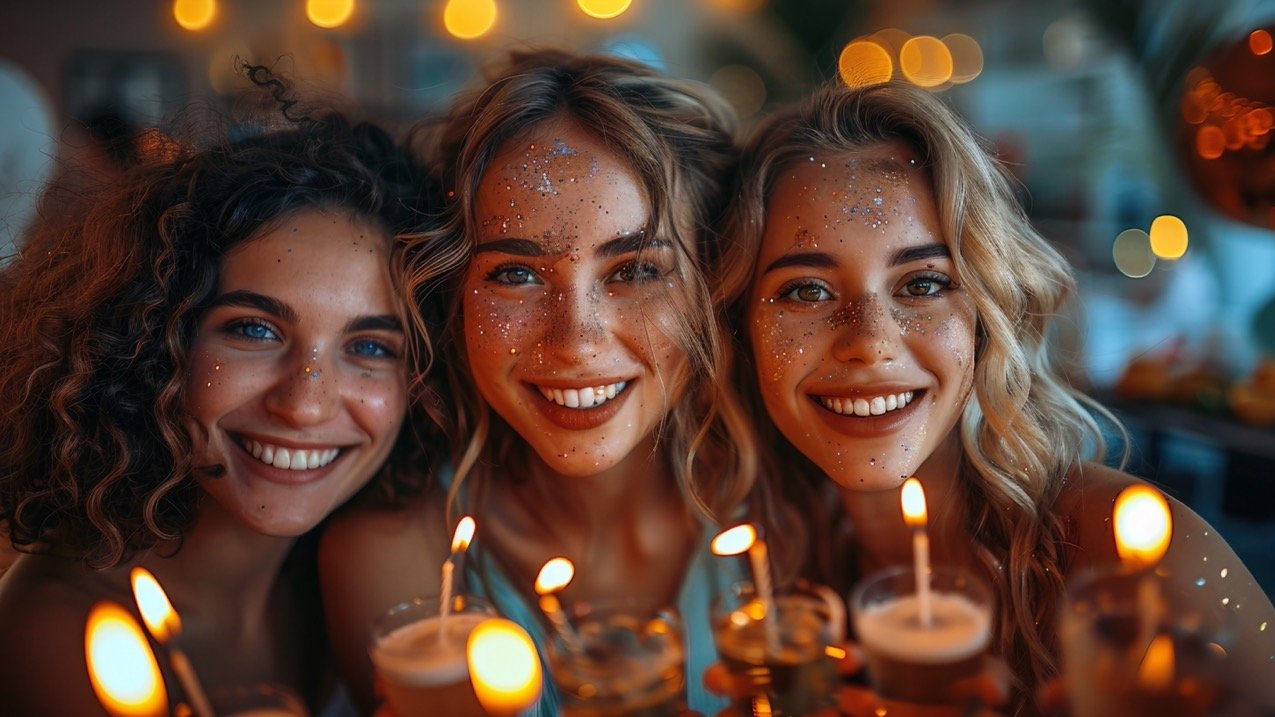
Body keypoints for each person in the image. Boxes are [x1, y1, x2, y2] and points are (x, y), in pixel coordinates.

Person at [714, 80, 1275, 714]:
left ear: (987, 314)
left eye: (923, 283)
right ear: (739, 329)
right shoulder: (760, 573)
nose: (870, 344)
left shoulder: (1138, 565)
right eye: (807, 292)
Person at [319, 49, 781, 716]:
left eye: (636, 270)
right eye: (516, 274)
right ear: (455, 294)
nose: (575, 342)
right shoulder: (391, 561)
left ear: (711, 282)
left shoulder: (788, 514)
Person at [0, 71, 461, 716]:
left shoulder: (361, 569)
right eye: (254, 330)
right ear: (155, 342)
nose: (305, 405)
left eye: (371, 347)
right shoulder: (55, 637)